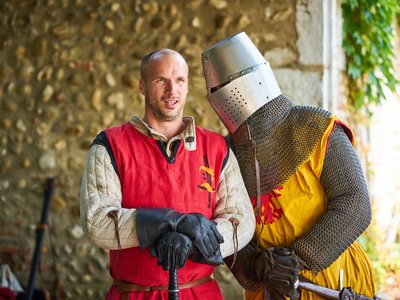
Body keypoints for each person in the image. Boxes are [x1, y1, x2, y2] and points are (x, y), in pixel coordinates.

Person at [201, 32, 376, 299]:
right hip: (269, 288)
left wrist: (296, 261)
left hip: (335, 283)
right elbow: (228, 231)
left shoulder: (314, 127)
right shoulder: (223, 158)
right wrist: (259, 266)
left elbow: (355, 205)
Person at [79, 48, 255, 300]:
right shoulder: (110, 145)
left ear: (187, 86)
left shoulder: (216, 147)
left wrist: (192, 243)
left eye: (179, 81)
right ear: (142, 86)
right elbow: (97, 221)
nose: (172, 91)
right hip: (134, 295)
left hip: (200, 294)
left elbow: (242, 221)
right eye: (161, 80)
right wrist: (173, 223)